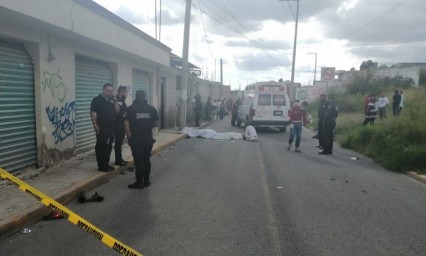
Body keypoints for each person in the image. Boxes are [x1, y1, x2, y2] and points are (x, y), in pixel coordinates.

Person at [124, 90, 159, 189]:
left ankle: (139, 182)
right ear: (145, 97)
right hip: (148, 139)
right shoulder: (152, 109)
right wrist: (147, 127)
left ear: (135, 97)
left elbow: (126, 124)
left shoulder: (131, 109)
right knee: (146, 159)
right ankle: (146, 181)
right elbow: (156, 123)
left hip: (136, 139)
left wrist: (129, 136)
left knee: (139, 161)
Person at [90, 83, 120, 172]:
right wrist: (95, 124)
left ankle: (106, 164)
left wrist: (115, 101)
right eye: (107, 90)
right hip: (101, 127)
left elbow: (117, 111)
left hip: (111, 127)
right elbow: (92, 113)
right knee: (101, 146)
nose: (109, 92)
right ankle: (101, 165)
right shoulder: (97, 99)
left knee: (109, 146)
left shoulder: (111, 100)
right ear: (103, 90)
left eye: (111, 91)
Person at [114, 85, 128, 166]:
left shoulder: (122, 100)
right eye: (126, 92)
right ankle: (118, 161)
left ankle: (120, 159)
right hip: (118, 125)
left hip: (121, 124)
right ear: (121, 92)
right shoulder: (118, 100)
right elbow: (118, 113)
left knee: (119, 143)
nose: (127, 93)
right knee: (118, 143)